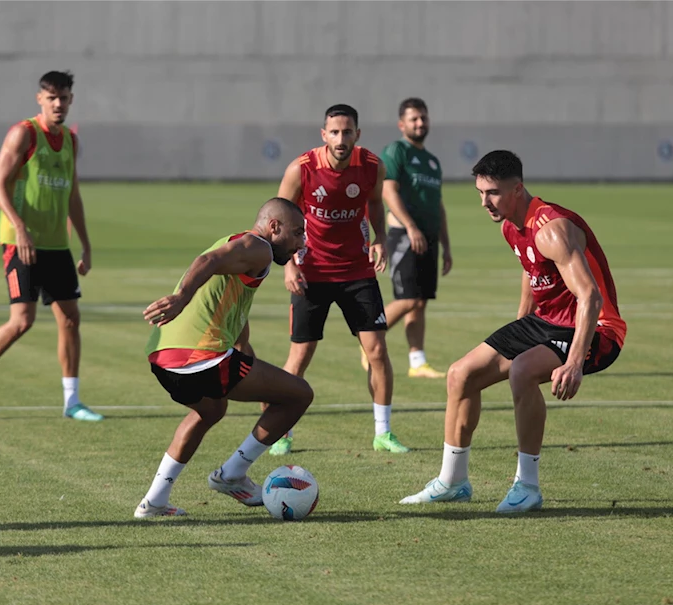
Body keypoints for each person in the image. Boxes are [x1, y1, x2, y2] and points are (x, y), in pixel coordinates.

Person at [400, 150, 627, 513]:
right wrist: (519, 326)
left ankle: (528, 486)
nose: (484, 202)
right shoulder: (510, 225)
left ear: (517, 189)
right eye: (479, 193)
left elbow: (590, 297)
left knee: (521, 370)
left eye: (492, 192)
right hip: (547, 321)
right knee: (460, 375)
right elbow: (530, 268)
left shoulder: (552, 230)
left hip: (596, 329)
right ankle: (453, 481)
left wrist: (573, 364)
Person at [134, 198, 314, 518]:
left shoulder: (240, 247)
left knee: (211, 410)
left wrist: (249, 357)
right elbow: (209, 260)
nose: (301, 243)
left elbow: (234, 310)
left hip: (163, 357)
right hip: (201, 357)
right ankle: (231, 475)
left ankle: (154, 502)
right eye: (298, 233)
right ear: (274, 227)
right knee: (299, 395)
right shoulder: (258, 247)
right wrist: (181, 297)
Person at [0, 71, 103, 422]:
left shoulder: (70, 140)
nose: (58, 104)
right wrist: (20, 227)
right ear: (40, 99)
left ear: (71, 100)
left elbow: (73, 195)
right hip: (20, 242)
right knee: (22, 321)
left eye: (63, 98)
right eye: (52, 98)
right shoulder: (24, 133)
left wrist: (85, 244)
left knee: (70, 319)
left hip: (56, 244)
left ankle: (72, 402)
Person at [268, 103, 409, 456]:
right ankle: (281, 434)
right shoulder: (302, 168)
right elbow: (277, 220)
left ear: (357, 134)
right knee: (300, 356)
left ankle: (383, 433)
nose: (341, 138)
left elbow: (375, 203)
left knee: (377, 351)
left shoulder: (372, 165)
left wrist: (380, 238)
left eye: (347, 132)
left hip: (357, 271)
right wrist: (288, 265)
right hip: (311, 272)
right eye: (334, 132)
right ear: (324, 134)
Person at [366, 97, 452, 378]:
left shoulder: (432, 162)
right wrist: (411, 227)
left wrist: (446, 245)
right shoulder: (397, 151)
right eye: (414, 118)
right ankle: (368, 341)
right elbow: (388, 191)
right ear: (401, 124)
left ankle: (417, 362)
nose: (420, 123)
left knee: (420, 300)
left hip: (428, 237)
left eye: (423, 117)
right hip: (404, 235)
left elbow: (438, 205)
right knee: (408, 299)